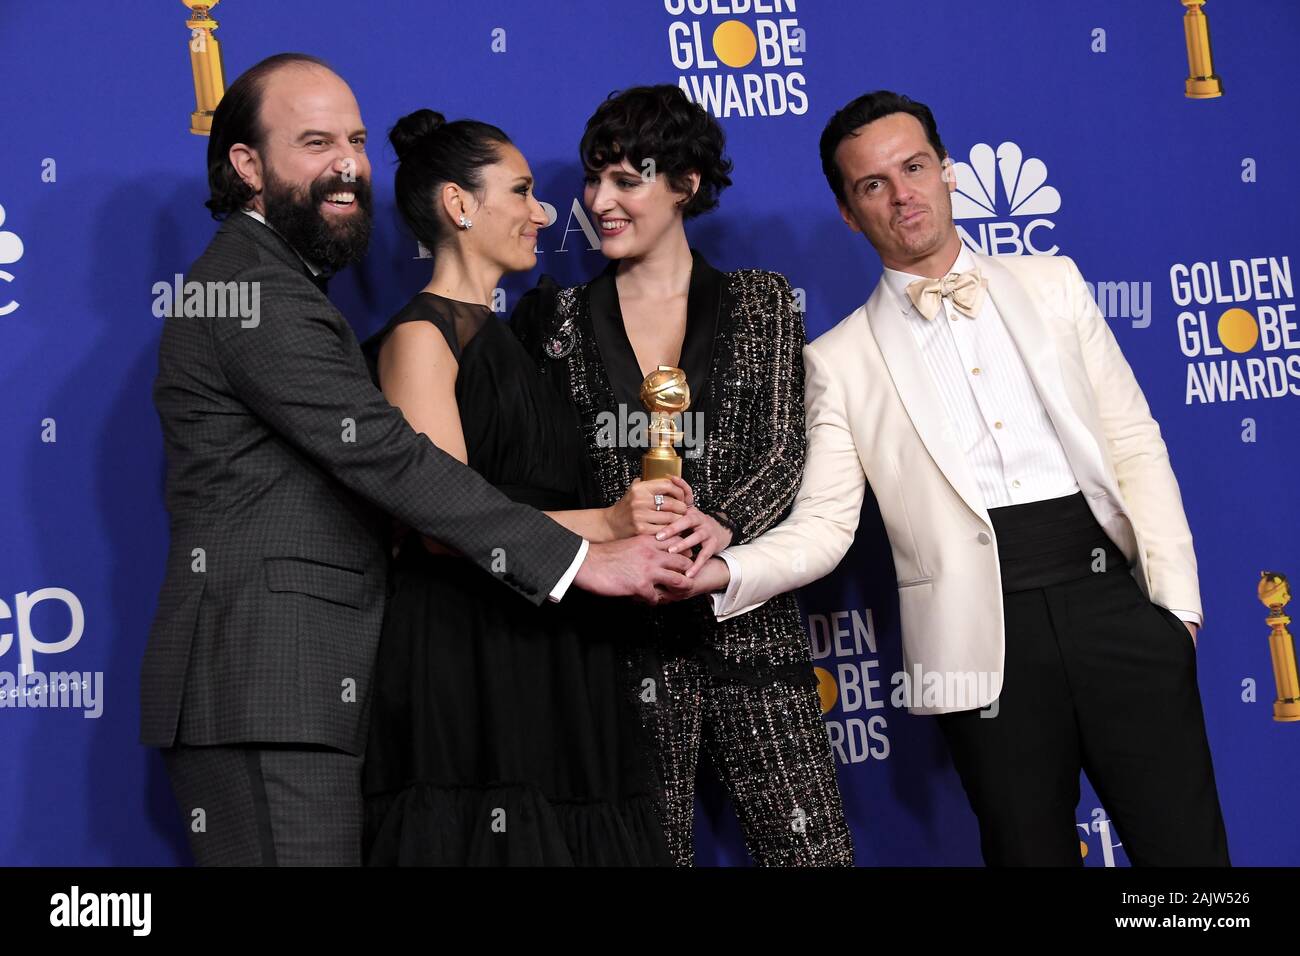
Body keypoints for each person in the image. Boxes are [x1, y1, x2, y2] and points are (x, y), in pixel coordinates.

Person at [141, 54, 692, 867]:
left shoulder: (284, 285)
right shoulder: (250, 290)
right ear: (247, 166)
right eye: (315, 141)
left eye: (356, 140)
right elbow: (397, 463)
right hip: (266, 691)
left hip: (302, 694)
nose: (348, 164)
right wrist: (585, 556)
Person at [682, 90, 1230, 866]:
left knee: (1193, 873)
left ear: (946, 171)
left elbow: (1135, 444)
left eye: (914, 168)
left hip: (1115, 607)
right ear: (848, 212)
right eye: (873, 184)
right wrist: (723, 570)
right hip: (982, 648)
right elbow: (826, 526)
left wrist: (1177, 612)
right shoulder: (839, 361)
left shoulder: (1054, 283)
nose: (902, 194)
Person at [515, 85, 853, 866]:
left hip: (750, 630)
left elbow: (783, 449)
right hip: (616, 651)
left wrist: (722, 523)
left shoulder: (761, 302)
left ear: (685, 185)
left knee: (815, 857)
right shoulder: (555, 321)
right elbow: (542, 482)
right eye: (594, 179)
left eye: (626, 180)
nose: (599, 200)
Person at [360, 109, 676, 865]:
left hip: (552, 640)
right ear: (458, 205)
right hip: (473, 650)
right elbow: (444, 518)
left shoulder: (514, 338)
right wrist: (606, 523)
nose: (544, 212)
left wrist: (631, 518)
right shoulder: (419, 338)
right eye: (524, 191)